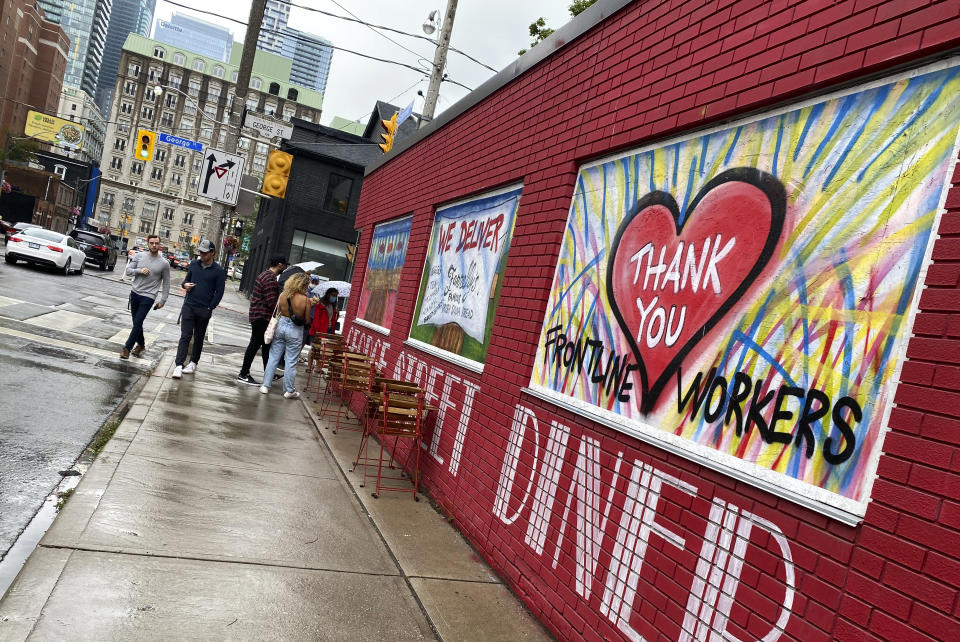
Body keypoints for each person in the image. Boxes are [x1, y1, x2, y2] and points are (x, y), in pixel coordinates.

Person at [172, 239, 226, 379]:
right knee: (185, 336)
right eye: (200, 252)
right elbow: (185, 281)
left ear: (212, 253)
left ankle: (193, 362)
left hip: (204, 309)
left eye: (205, 253)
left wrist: (210, 307)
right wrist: (185, 286)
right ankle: (178, 365)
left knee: (199, 338)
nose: (201, 255)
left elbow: (219, 292)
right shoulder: (194, 264)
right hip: (189, 305)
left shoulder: (219, 271)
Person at [260, 272, 313, 398]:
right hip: (295, 331)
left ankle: (265, 386)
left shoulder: (282, 295)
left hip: (281, 326)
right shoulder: (305, 300)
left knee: (273, 357)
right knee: (291, 361)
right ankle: (289, 390)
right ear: (303, 284)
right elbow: (306, 320)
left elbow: (278, 311)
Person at [236, 255, 287, 385]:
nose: (285, 268)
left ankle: (268, 373)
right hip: (262, 317)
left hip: (258, 315)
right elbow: (272, 302)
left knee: (266, 347)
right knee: (255, 345)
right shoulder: (270, 279)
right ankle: (243, 373)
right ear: (280, 265)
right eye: (284, 265)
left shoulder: (265, 275)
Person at [121, 234, 170, 359]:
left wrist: (162, 300)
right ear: (148, 244)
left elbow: (166, 283)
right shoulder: (139, 256)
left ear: (160, 245)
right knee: (136, 323)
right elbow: (128, 271)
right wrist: (139, 271)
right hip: (135, 292)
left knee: (138, 321)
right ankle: (141, 345)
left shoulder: (164, 263)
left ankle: (127, 348)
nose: (154, 245)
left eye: (156, 243)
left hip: (149, 296)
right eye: (152, 243)